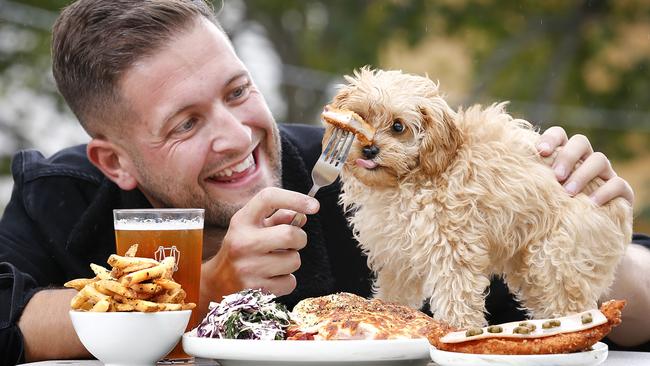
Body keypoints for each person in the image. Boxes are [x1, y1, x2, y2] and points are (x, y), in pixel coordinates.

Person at [0, 0, 647, 364]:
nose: (237, 134)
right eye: (186, 123)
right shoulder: (68, 196)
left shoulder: (373, 173)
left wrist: (583, 235)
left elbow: (622, 319)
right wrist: (211, 285)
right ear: (114, 162)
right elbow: (10, 317)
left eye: (238, 91)